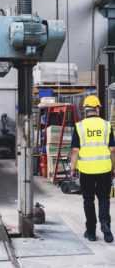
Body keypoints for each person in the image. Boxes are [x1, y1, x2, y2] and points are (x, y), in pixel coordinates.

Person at [71, 95, 115, 243]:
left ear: (86, 110)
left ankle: (90, 232)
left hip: (86, 171)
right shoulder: (107, 125)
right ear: (97, 109)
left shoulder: (79, 127)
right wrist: (113, 168)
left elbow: (75, 151)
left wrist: (73, 169)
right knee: (103, 198)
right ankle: (106, 227)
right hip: (104, 170)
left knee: (88, 200)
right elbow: (113, 150)